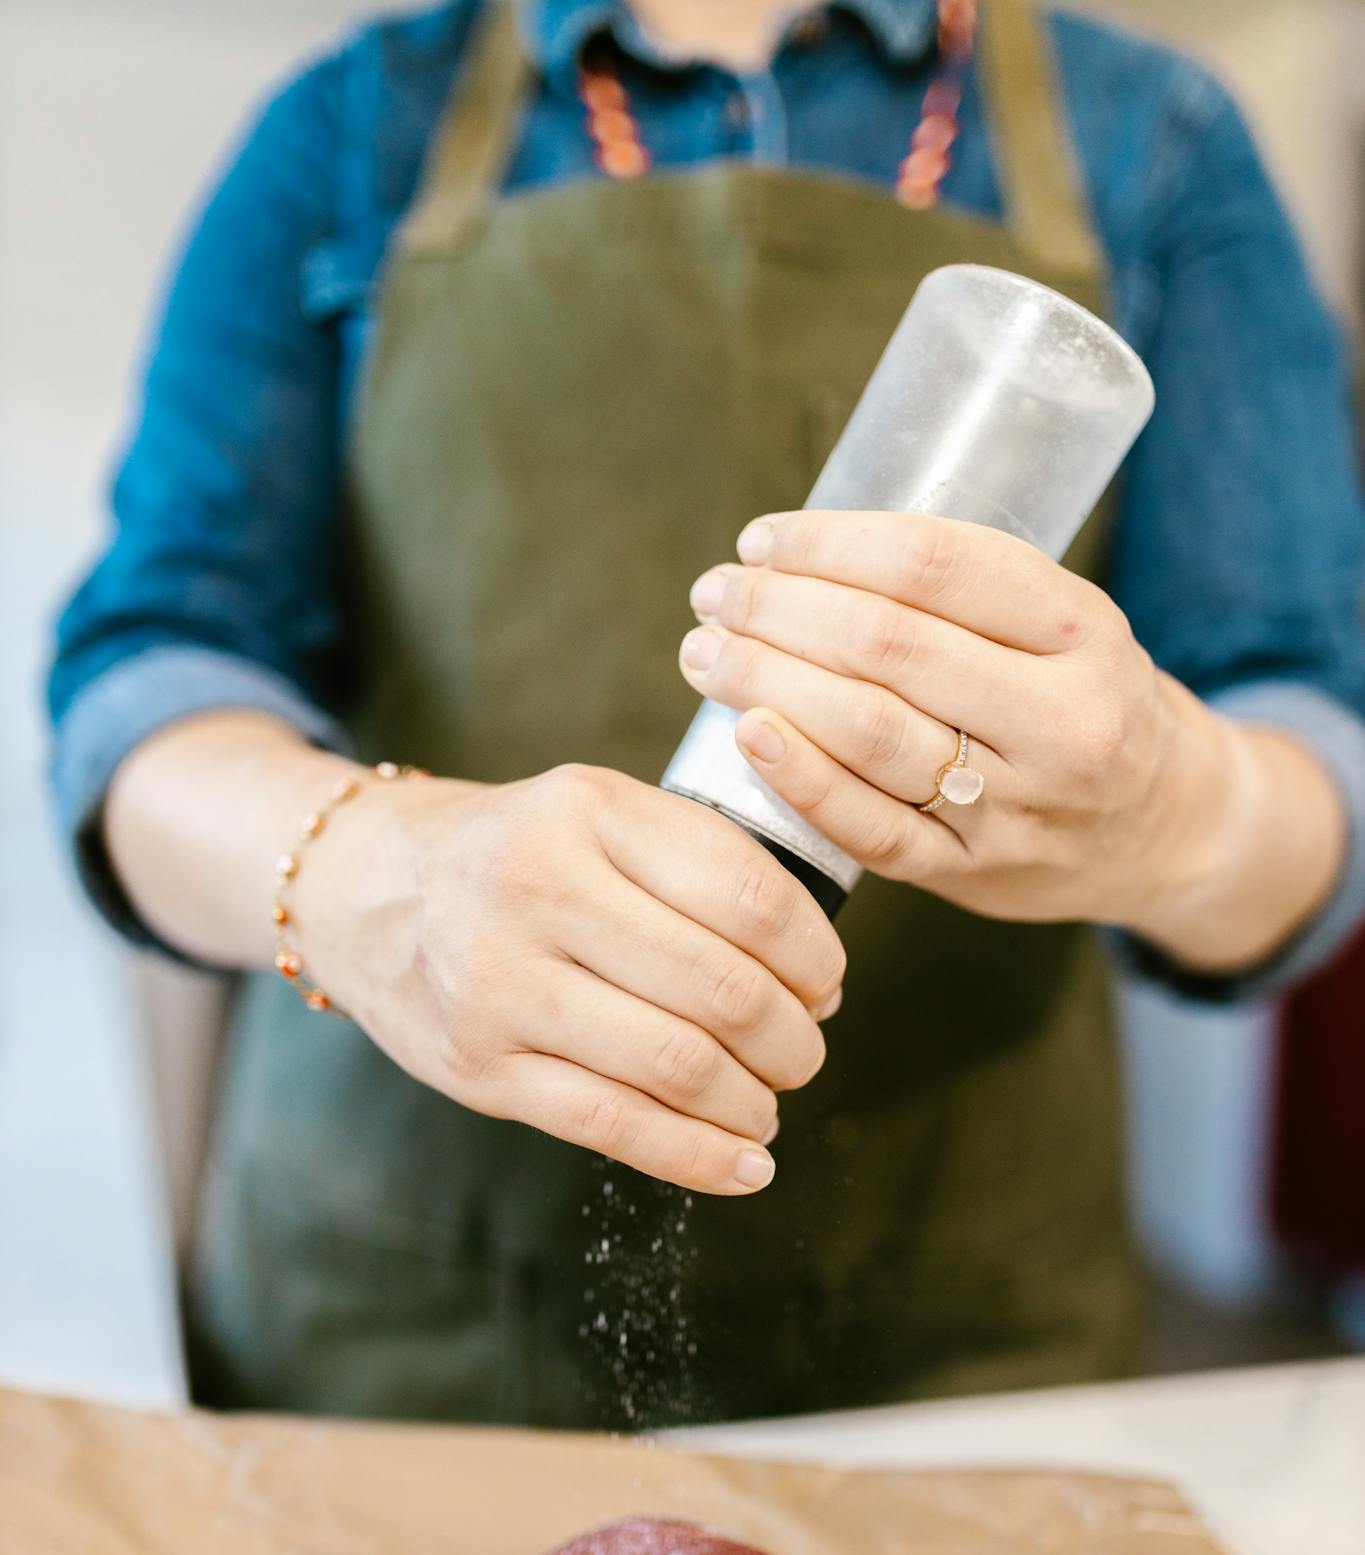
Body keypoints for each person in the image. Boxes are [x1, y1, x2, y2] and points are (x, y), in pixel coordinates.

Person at [47, 0, 1365, 1426]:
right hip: (390, 1319)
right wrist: (377, 873)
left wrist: (1179, 812)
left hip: (958, 1347)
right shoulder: (356, 126)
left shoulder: (1157, 144)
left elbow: (1309, 744)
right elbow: (148, 673)